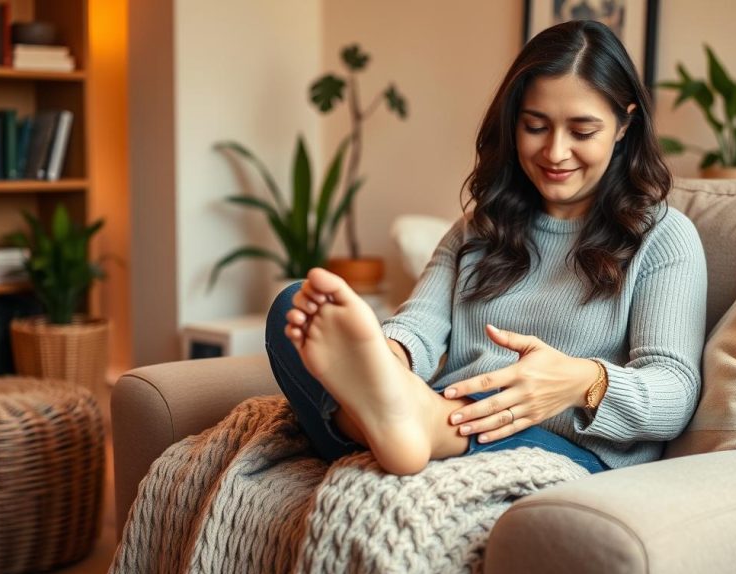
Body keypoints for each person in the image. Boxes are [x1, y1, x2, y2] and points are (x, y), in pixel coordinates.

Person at [265, 19, 707, 476]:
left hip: (564, 450)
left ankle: (399, 424)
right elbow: (417, 326)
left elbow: (674, 393)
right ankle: (395, 418)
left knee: (427, 407)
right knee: (291, 308)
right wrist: (382, 361)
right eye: (536, 126)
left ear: (623, 125)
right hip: (455, 411)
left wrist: (580, 382)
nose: (555, 152)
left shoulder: (663, 237)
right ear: (513, 121)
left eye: (581, 131)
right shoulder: (477, 229)